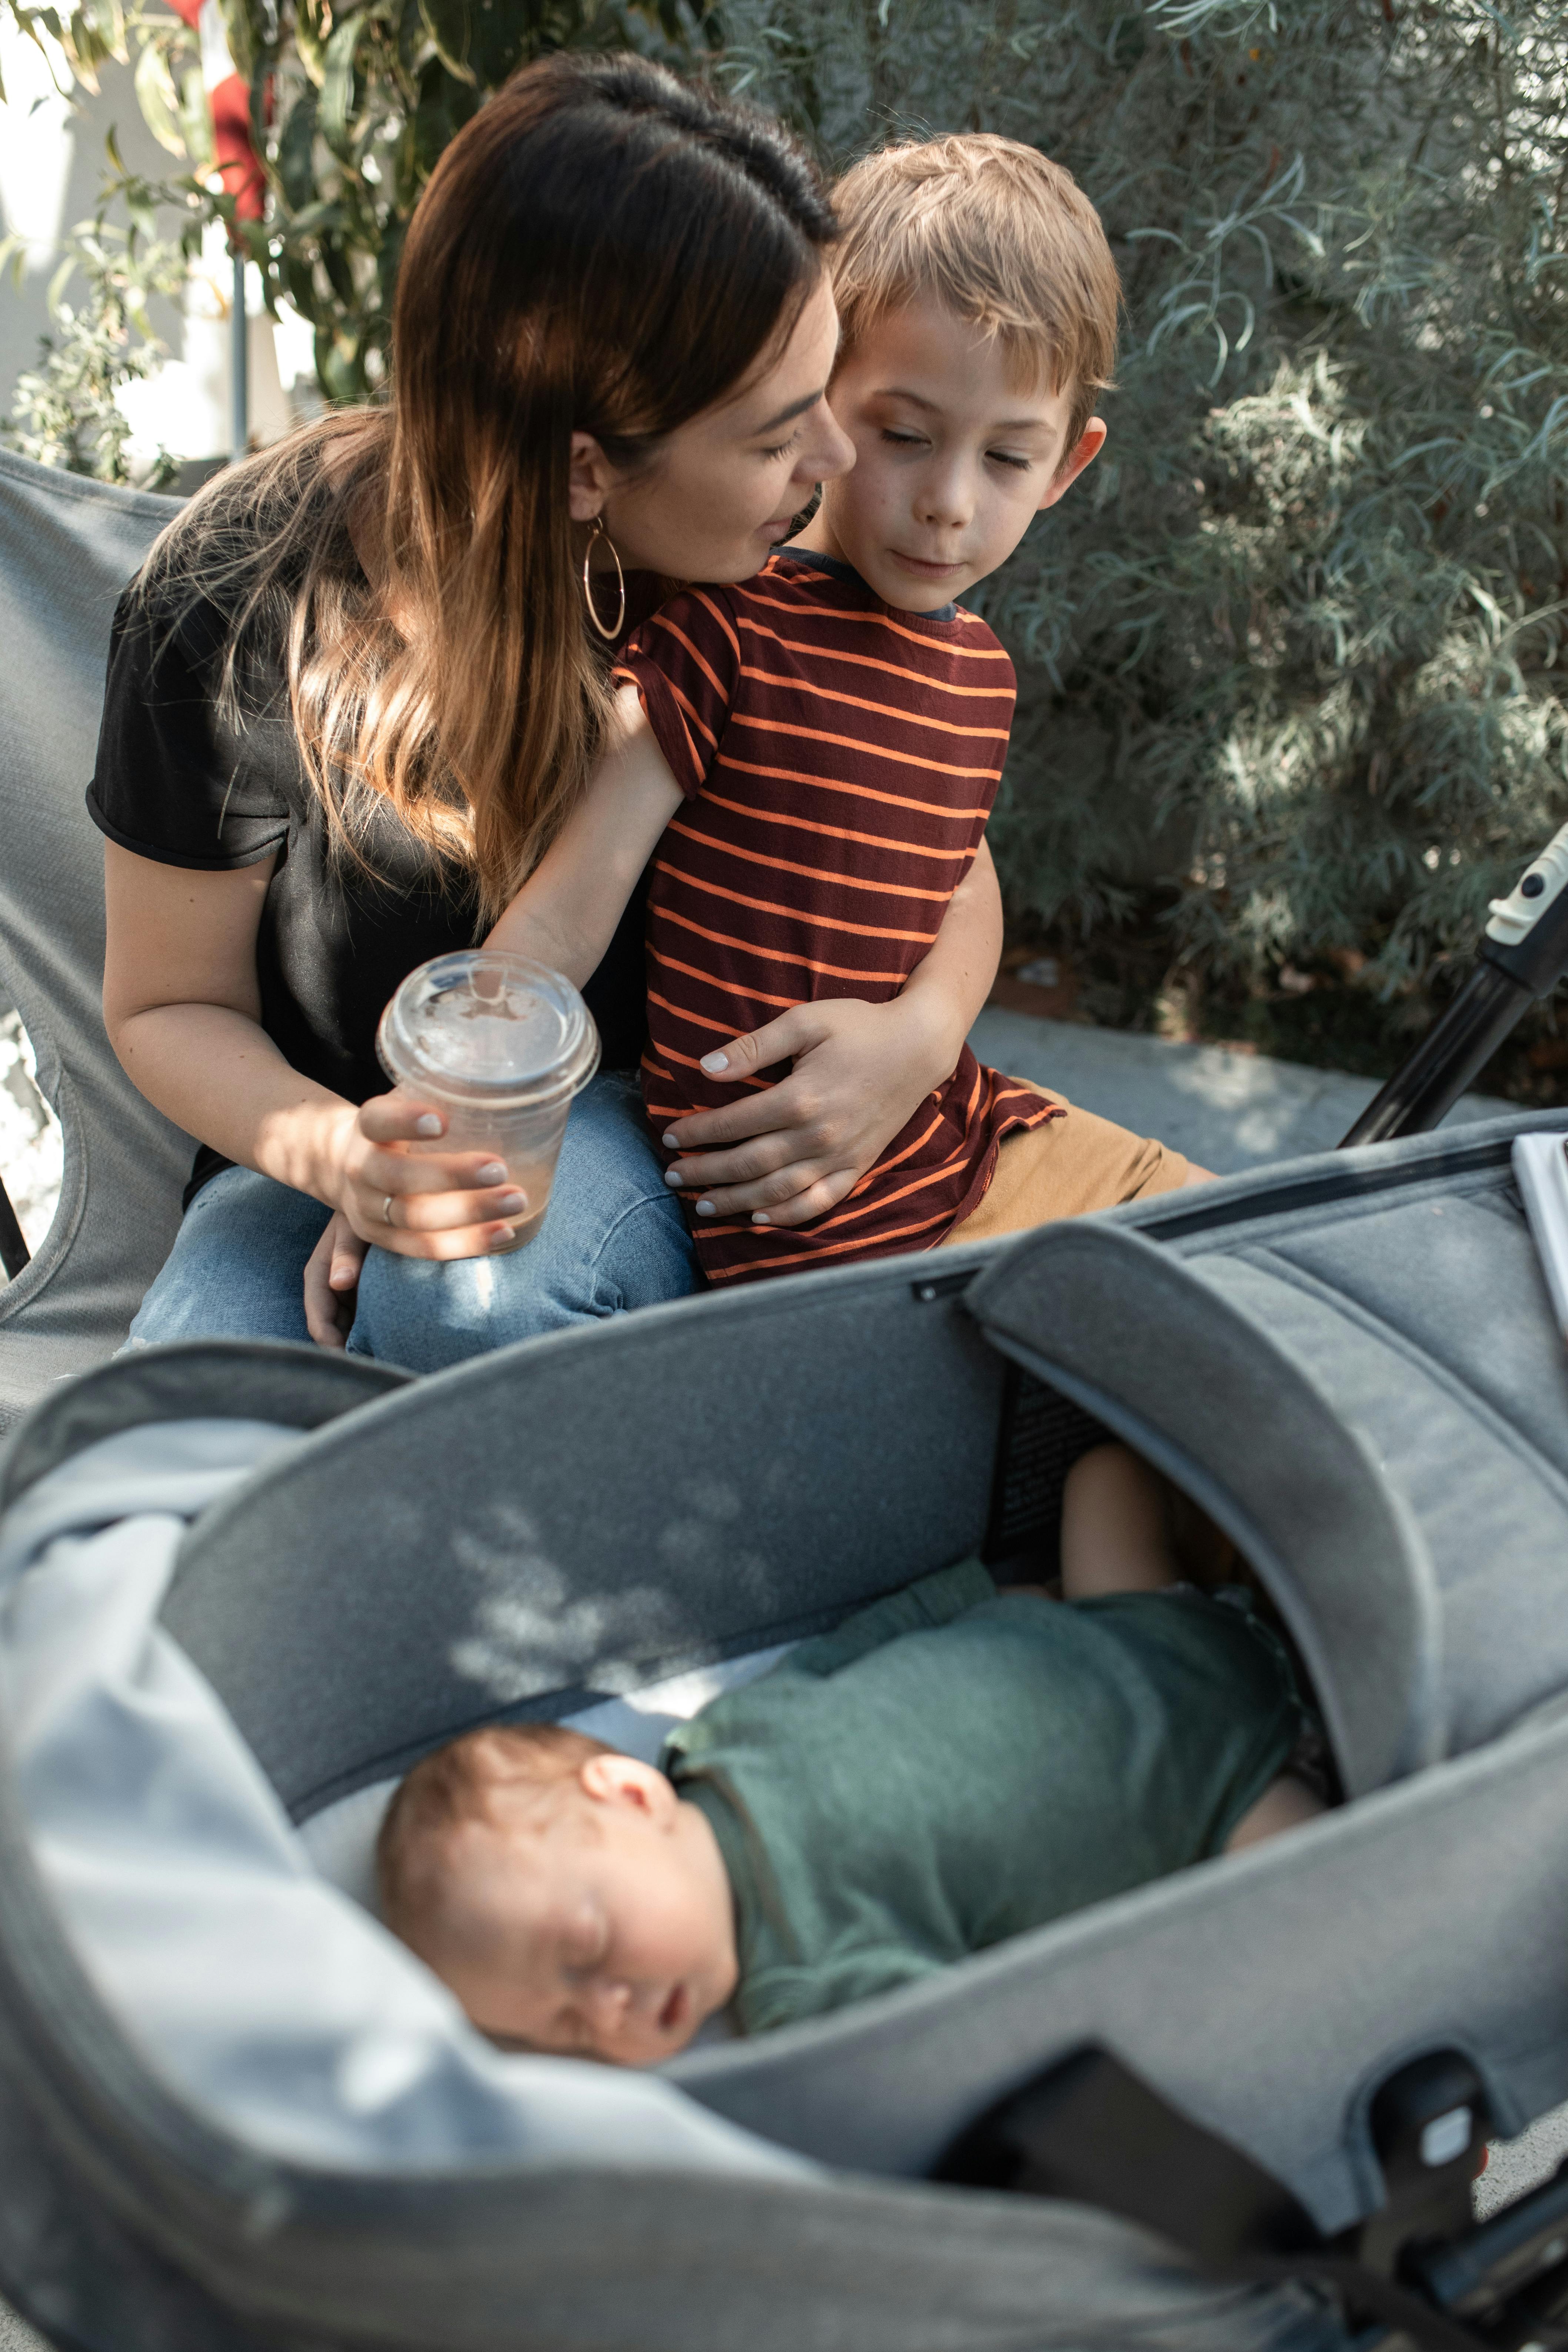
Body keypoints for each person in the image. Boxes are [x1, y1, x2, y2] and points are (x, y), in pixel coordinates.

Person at [95, 56, 1004, 1362]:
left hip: (642, 1156)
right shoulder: (235, 604)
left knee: (464, 1307)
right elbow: (168, 1007)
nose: (836, 463)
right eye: (772, 434)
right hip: (312, 1153)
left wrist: (917, 1041)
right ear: (585, 469)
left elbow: (950, 858)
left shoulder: (780, 592)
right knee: (171, 1473)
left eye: (827, 399)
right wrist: (345, 1157)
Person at [480, 133, 1203, 1289]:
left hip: (965, 1145)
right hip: (814, 1232)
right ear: (815, 399)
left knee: (1265, 1277)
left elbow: (959, 877)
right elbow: (564, 916)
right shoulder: (726, 632)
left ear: (1069, 465)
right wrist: (452, 1121)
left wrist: (922, 1041)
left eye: (1009, 459)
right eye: (903, 437)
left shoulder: (978, 671)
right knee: (1193, 1331)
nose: (948, 507)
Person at [377, 1443, 1321, 2066]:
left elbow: (845, 1651)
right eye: (570, 2029)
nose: (613, 2004)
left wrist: (979, 1598)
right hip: (1215, 1788)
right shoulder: (807, 1987)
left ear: (628, 1792)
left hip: (1118, 1616)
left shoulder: (716, 1739)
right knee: (1326, 1897)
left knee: (1098, 1469)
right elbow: (986, 2036)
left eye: (583, 1951)